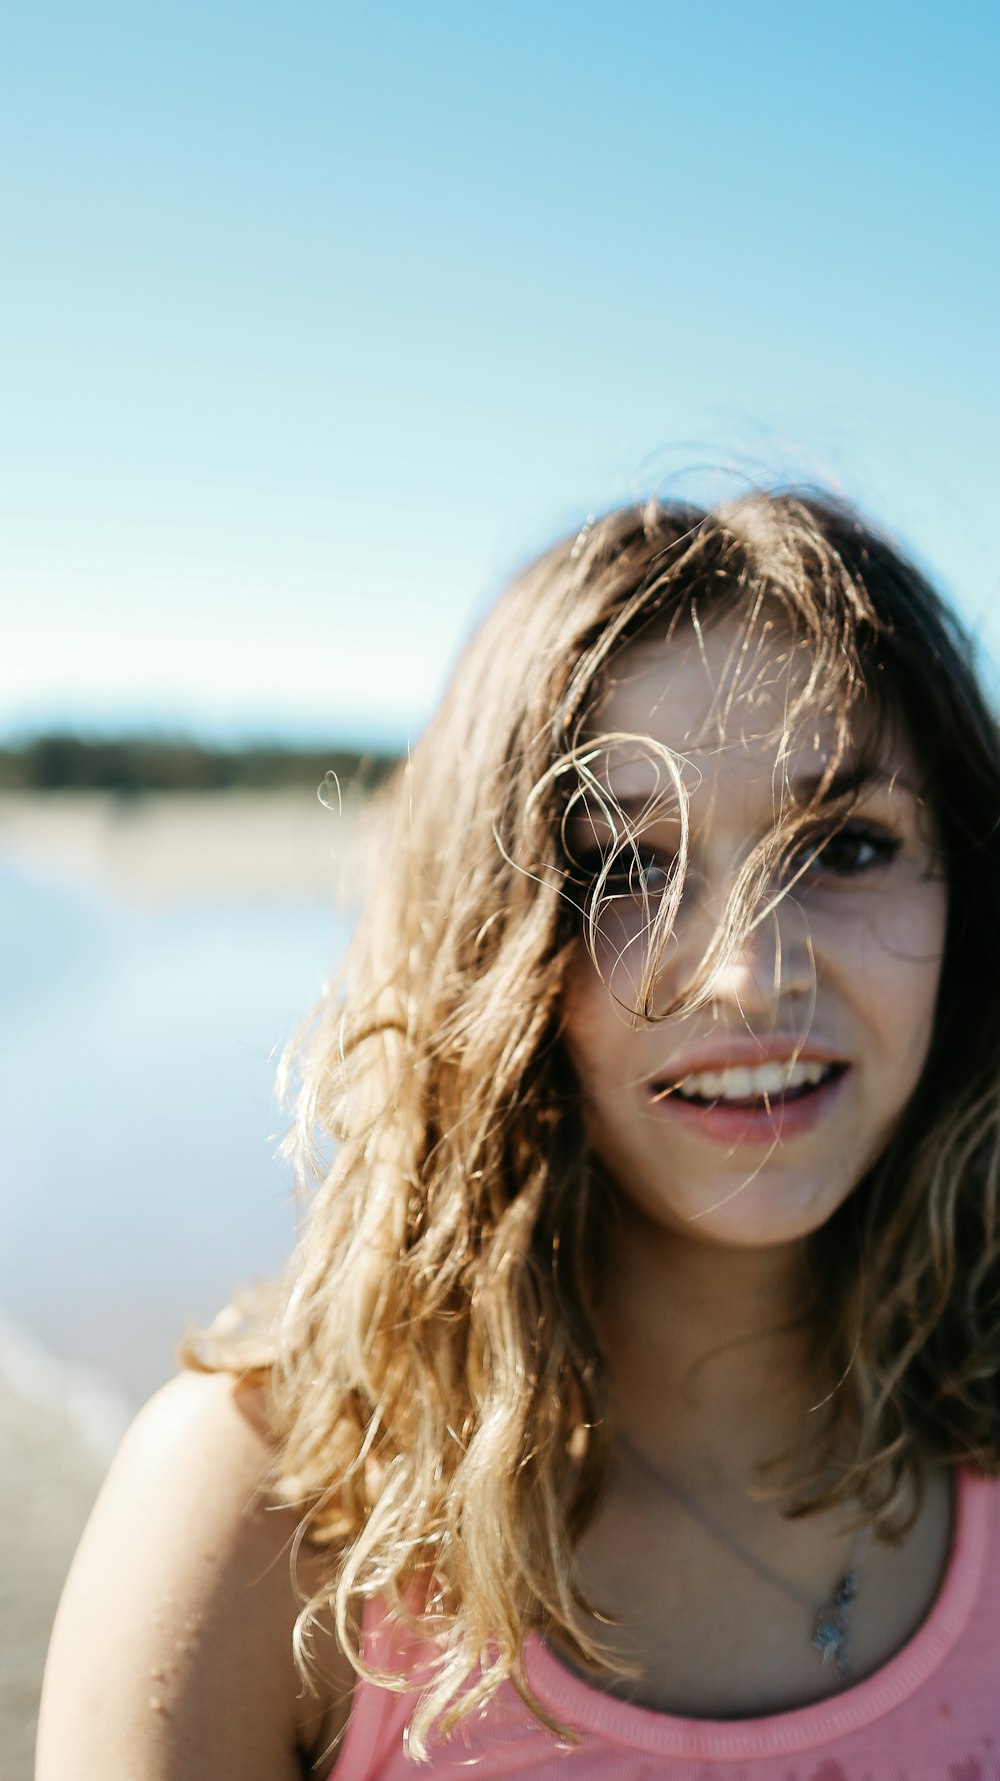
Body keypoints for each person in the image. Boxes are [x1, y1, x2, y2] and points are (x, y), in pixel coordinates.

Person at [36, 491, 1000, 1779]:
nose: (751, 974)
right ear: (488, 938)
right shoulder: (269, 1519)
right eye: (626, 867)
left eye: (847, 844)